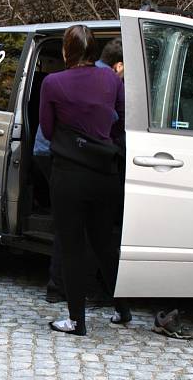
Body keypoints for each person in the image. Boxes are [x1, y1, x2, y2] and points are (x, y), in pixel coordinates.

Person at [40, 24, 131, 336]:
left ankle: (76, 320)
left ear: (67, 51)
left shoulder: (53, 83)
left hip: (69, 173)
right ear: (93, 50)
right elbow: (121, 119)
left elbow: (48, 129)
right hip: (105, 172)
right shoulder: (110, 77)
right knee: (105, 243)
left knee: (73, 245)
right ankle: (123, 308)